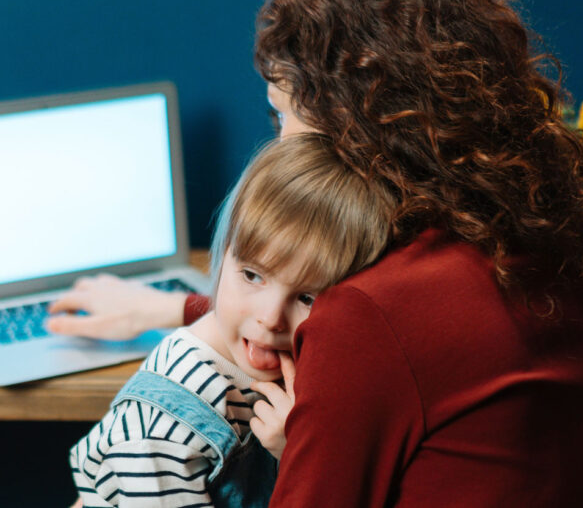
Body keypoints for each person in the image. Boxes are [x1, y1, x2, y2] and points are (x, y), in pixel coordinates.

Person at [53, 0, 583, 505]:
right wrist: (172, 309)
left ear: (360, 125)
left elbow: (366, 335)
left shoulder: (370, 314)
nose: (280, 146)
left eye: (286, 118)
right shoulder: (510, 231)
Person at [67, 133, 394, 508]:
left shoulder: (313, 368)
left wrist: (297, 455)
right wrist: (304, 459)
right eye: (253, 276)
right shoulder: (161, 427)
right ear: (222, 257)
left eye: (307, 298)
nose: (270, 318)